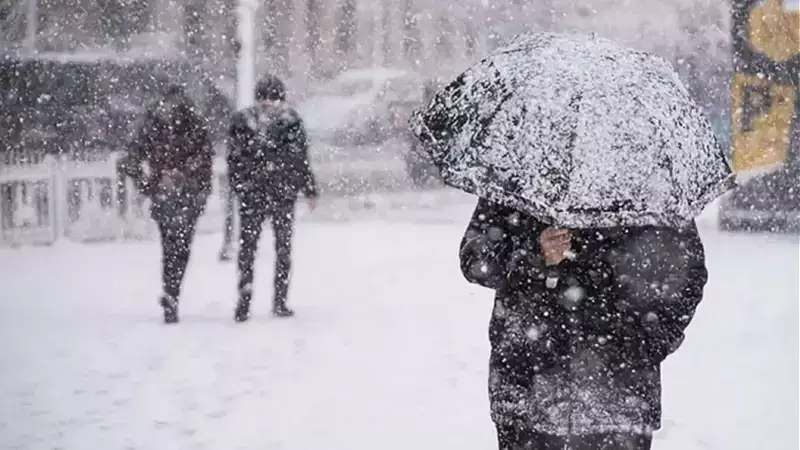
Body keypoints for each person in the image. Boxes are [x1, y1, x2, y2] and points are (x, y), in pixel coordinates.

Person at [459, 198, 708, 450]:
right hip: (528, 390)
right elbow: (475, 260)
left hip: (619, 401)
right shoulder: (519, 174)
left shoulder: (648, 183)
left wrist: (646, 345)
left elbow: (688, 274)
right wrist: (534, 252)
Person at [227, 74, 318, 322]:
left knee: (276, 248)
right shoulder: (249, 122)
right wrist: (242, 185)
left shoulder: (285, 122)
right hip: (266, 193)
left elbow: (300, 158)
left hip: (273, 193)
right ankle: (250, 298)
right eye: (265, 99)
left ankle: (276, 300)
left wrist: (308, 188)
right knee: (255, 248)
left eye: (273, 99)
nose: (269, 104)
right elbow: (235, 159)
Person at [122, 84, 213, 324]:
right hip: (179, 193)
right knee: (178, 246)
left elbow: (204, 159)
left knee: (172, 246)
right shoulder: (184, 125)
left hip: (175, 192)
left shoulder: (161, 124)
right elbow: (204, 160)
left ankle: (171, 291)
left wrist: (148, 182)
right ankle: (172, 292)